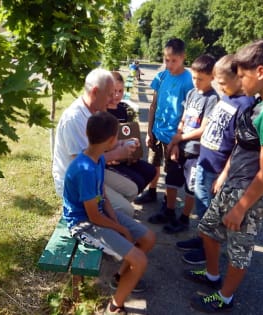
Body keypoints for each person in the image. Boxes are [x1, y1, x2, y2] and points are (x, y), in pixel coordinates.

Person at [185, 38, 263, 313]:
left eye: (243, 75)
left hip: (249, 192)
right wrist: (225, 173)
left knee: (239, 250)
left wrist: (240, 208)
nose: (240, 81)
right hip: (233, 183)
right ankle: (212, 276)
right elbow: (242, 143)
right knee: (207, 229)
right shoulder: (260, 101)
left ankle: (225, 297)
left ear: (260, 72)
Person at [63, 111, 156, 315]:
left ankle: (119, 278)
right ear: (112, 139)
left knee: (148, 238)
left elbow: (102, 195)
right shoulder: (84, 169)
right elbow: (93, 217)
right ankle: (114, 308)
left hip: (99, 215)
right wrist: (120, 228)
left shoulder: (98, 159)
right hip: (83, 224)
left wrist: (117, 222)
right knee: (140, 260)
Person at [176, 54, 255, 264]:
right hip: (204, 161)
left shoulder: (246, 104)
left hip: (217, 169)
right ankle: (202, 239)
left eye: (222, 82)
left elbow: (239, 145)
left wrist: (224, 175)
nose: (219, 86)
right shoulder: (227, 97)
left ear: (238, 78)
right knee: (201, 206)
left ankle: (207, 251)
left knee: (211, 211)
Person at [52, 68, 140, 217]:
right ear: (95, 92)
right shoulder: (74, 119)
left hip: (94, 170)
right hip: (77, 182)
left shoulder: (95, 111)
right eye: (110, 94)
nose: (113, 99)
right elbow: (83, 165)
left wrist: (122, 144)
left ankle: (108, 219)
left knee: (132, 190)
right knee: (127, 210)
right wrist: (118, 153)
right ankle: (101, 221)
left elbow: (101, 147)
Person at [157, 54, 219, 234]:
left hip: (195, 152)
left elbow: (203, 129)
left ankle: (184, 219)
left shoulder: (212, 99)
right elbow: (183, 120)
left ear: (212, 77)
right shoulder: (192, 93)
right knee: (171, 179)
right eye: (194, 77)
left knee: (191, 187)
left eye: (201, 79)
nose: (196, 81)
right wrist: (176, 142)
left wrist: (180, 139)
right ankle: (168, 211)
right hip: (180, 147)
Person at [134, 38, 194, 219]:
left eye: (173, 60)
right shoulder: (161, 76)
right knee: (153, 164)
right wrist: (150, 130)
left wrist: (179, 138)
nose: (168, 64)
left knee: (171, 174)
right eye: (166, 60)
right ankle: (151, 192)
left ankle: (167, 207)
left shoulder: (188, 81)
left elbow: (189, 113)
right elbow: (153, 105)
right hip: (157, 132)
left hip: (173, 137)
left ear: (183, 57)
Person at [106, 71, 157, 195]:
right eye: (113, 91)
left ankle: (128, 196)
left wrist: (133, 151)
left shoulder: (123, 109)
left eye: (120, 91)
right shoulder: (101, 111)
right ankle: (120, 201)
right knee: (137, 181)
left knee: (151, 170)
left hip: (125, 157)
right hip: (109, 160)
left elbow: (127, 133)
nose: (117, 95)